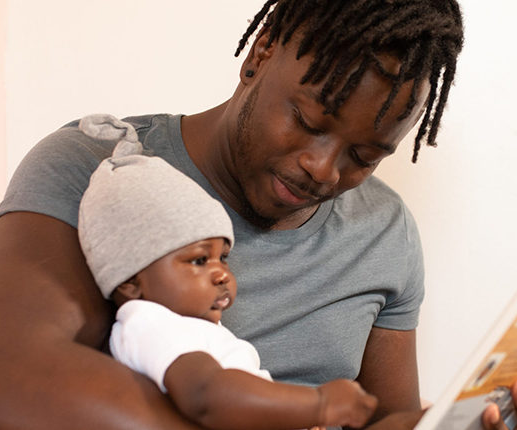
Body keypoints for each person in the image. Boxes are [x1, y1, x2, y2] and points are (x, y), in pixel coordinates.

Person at [0, 1, 517, 429]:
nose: (324, 170)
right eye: (309, 121)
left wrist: (458, 423)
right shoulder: (100, 169)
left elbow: (376, 419)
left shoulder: (384, 232)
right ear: (261, 54)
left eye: (365, 156)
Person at [76, 114, 377, 429]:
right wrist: (318, 405)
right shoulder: (149, 325)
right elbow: (207, 396)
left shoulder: (190, 328)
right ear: (131, 282)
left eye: (224, 258)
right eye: (198, 261)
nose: (221, 275)